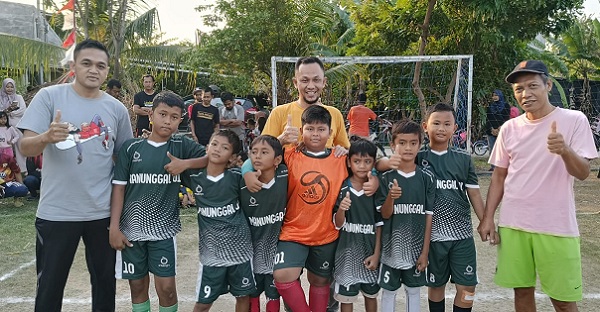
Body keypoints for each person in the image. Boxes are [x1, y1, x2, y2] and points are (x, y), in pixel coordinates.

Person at [17, 39, 134, 312]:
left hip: (101, 213)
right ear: (73, 67)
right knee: (49, 289)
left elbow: (123, 159)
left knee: (105, 286)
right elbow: (24, 145)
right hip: (57, 213)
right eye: (87, 63)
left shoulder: (116, 110)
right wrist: (46, 137)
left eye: (101, 66)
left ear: (106, 71)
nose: (94, 70)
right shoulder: (50, 97)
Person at [478, 60, 597, 312]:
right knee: (522, 294)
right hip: (513, 224)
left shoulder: (574, 120)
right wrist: (488, 217)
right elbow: (499, 176)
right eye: (519, 89)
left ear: (548, 85)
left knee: (564, 301)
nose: (525, 93)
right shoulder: (509, 128)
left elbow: (584, 172)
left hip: (557, 226)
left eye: (532, 86)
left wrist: (564, 150)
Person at [109, 91, 206, 312]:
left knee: (167, 289)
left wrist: (186, 164)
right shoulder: (131, 148)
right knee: (137, 286)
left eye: (174, 117)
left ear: (180, 120)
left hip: (163, 231)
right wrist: (114, 227)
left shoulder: (181, 146)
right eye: (163, 114)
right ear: (151, 115)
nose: (168, 121)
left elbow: (215, 157)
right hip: (131, 230)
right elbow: (119, 188)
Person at [270, 105, 348, 312]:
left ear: (330, 133)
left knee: (319, 281)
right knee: (282, 275)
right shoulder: (289, 155)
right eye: (310, 129)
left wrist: (348, 151)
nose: (315, 134)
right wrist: (281, 139)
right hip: (293, 232)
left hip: (326, 234)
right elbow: (259, 157)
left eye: (321, 129)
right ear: (301, 130)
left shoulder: (341, 160)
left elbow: (369, 166)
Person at [408, 103, 484, 312]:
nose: (441, 128)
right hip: (432, 238)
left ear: (454, 128)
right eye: (436, 123)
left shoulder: (463, 159)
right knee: (435, 285)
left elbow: (474, 192)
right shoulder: (418, 159)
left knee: (467, 286)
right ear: (426, 126)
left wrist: (486, 221)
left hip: (462, 235)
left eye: (447, 124)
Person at [179, 130, 255, 312]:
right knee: (203, 304)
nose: (217, 149)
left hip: (240, 252)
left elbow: (254, 163)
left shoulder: (237, 177)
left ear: (232, 157)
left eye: (225, 147)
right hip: (211, 256)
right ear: (207, 147)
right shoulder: (194, 177)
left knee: (243, 296)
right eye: (214, 144)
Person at [376, 119, 434, 312]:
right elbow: (384, 215)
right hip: (390, 249)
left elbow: (428, 216)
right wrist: (391, 198)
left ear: (420, 144)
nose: (407, 148)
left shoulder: (426, 178)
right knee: (389, 292)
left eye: (413, 143)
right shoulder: (384, 178)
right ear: (393, 145)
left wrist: (425, 252)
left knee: (414, 290)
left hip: (416, 249)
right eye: (402, 143)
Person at [332, 137, 382, 312]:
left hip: (370, 253)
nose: (362, 166)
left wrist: (377, 254)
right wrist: (342, 210)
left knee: (371, 296)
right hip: (346, 255)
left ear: (374, 163)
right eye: (357, 161)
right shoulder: (342, 187)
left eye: (367, 161)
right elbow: (337, 224)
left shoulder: (376, 189)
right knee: (346, 299)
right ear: (349, 162)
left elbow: (380, 224)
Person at [241, 135, 287, 312]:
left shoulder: (284, 174)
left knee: (273, 295)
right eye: (254, 152)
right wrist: (246, 172)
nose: (257, 156)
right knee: (252, 295)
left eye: (264, 152)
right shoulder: (243, 182)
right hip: (250, 252)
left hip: (277, 253)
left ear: (277, 160)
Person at [262, 56, 349, 150]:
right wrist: (281, 140)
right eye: (305, 80)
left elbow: (346, 151)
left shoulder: (334, 114)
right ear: (295, 83)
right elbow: (261, 151)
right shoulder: (279, 113)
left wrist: (342, 150)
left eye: (316, 80)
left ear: (324, 82)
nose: (311, 86)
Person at [1, 78, 27, 173]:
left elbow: (23, 110)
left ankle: (23, 169)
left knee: (20, 146)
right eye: (7, 87)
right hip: (4, 128)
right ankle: (7, 170)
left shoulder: (18, 97)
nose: (10, 89)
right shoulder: (1, 98)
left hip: (17, 125)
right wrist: (6, 111)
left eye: (11, 87)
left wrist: (11, 113)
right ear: (4, 87)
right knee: (6, 148)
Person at [485, 90, 510, 170]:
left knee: (501, 149)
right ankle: (493, 166)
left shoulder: (506, 106)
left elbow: (506, 118)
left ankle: (501, 166)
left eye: (496, 95)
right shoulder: (490, 107)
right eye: (493, 95)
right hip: (491, 131)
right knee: (492, 149)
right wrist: (492, 129)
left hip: (502, 130)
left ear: (500, 95)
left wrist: (500, 128)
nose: (494, 97)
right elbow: (488, 119)